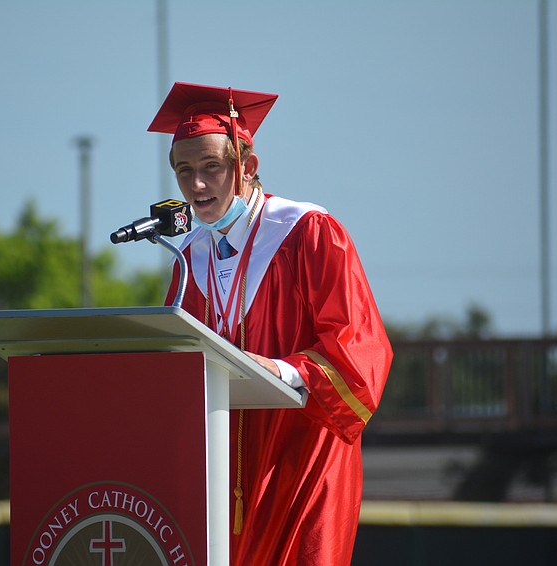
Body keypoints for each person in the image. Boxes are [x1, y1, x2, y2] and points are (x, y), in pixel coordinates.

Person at [149, 82, 393, 565]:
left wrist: (278, 371)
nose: (197, 186)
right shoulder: (188, 258)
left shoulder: (308, 232)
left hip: (301, 456)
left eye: (212, 168)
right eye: (184, 172)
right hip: (222, 466)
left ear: (248, 167)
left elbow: (360, 350)